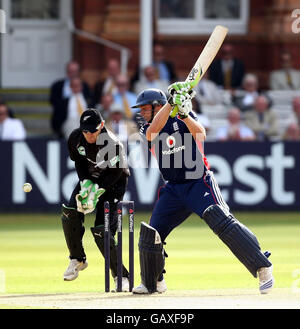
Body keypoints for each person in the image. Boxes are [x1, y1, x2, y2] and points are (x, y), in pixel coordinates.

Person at [130, 84, 274, 295]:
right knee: (152, 234)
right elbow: (153, 134)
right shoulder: (147, 127)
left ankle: (262, 267)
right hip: (173, 189)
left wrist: (185, 114)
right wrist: (171, 104)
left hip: (199, 182)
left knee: (222, 221)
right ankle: (154, 281)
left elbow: (201, 134)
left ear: (156, 106)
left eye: (144, 108)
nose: (141, 113)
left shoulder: (182, 115)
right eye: (140, 109)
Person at [61, 108, 131, 291]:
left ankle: (122, 277)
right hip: (91, 179)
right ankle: (77, 259)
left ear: (101, 126)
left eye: (93, 131)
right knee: (69, 214)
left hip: (114, 183)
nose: (89, 135)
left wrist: (98, 191)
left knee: (102, 230)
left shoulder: (112, 143)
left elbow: (116, 172)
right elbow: (79, 162)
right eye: (86, 131)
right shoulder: (76, 138)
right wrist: (85, 183)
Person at [50, 61, 92, 137]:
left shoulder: (86, 90)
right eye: (70, 71)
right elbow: (56, 106)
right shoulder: (58, 87)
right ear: (70, 87)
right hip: (70, 122)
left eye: (75, 71)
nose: (72, 74)